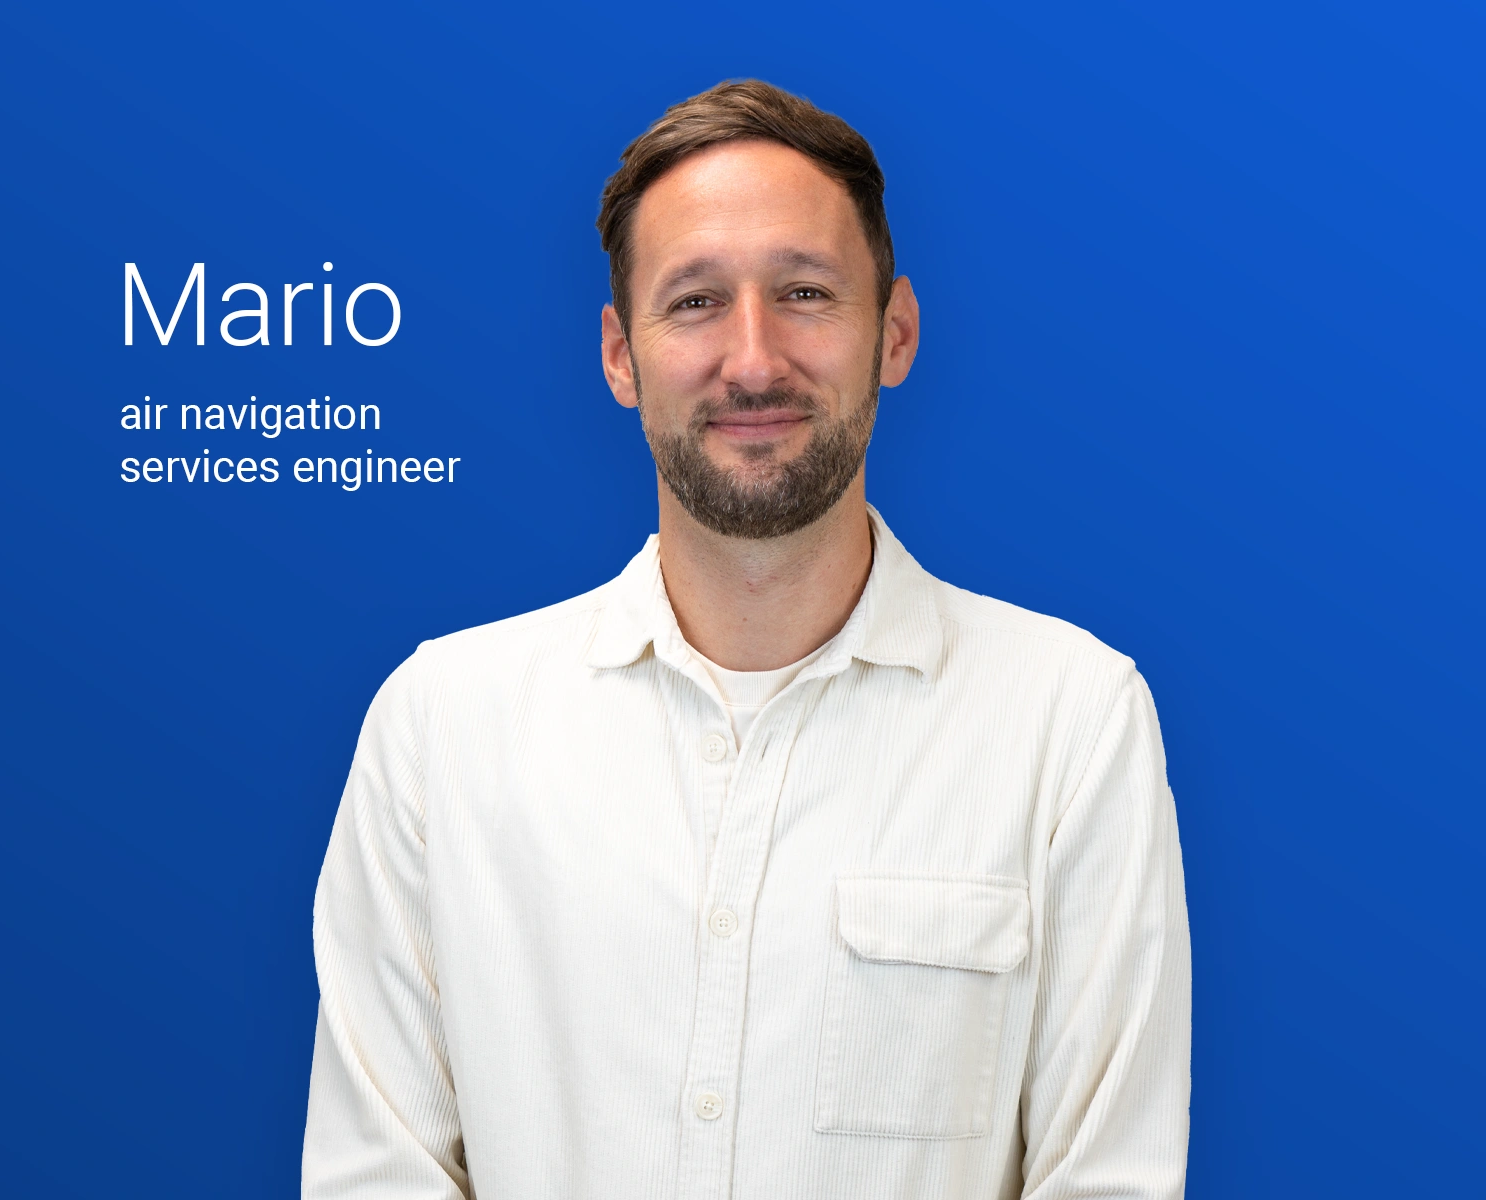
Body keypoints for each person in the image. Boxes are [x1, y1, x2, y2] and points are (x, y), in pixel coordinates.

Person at [303, 80, 1190, 1200]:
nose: (756, 360)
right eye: (696, 302)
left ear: (895, 333)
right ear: (620, 357)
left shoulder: (1071, 721)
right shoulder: (441, 726)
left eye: (805, 292)